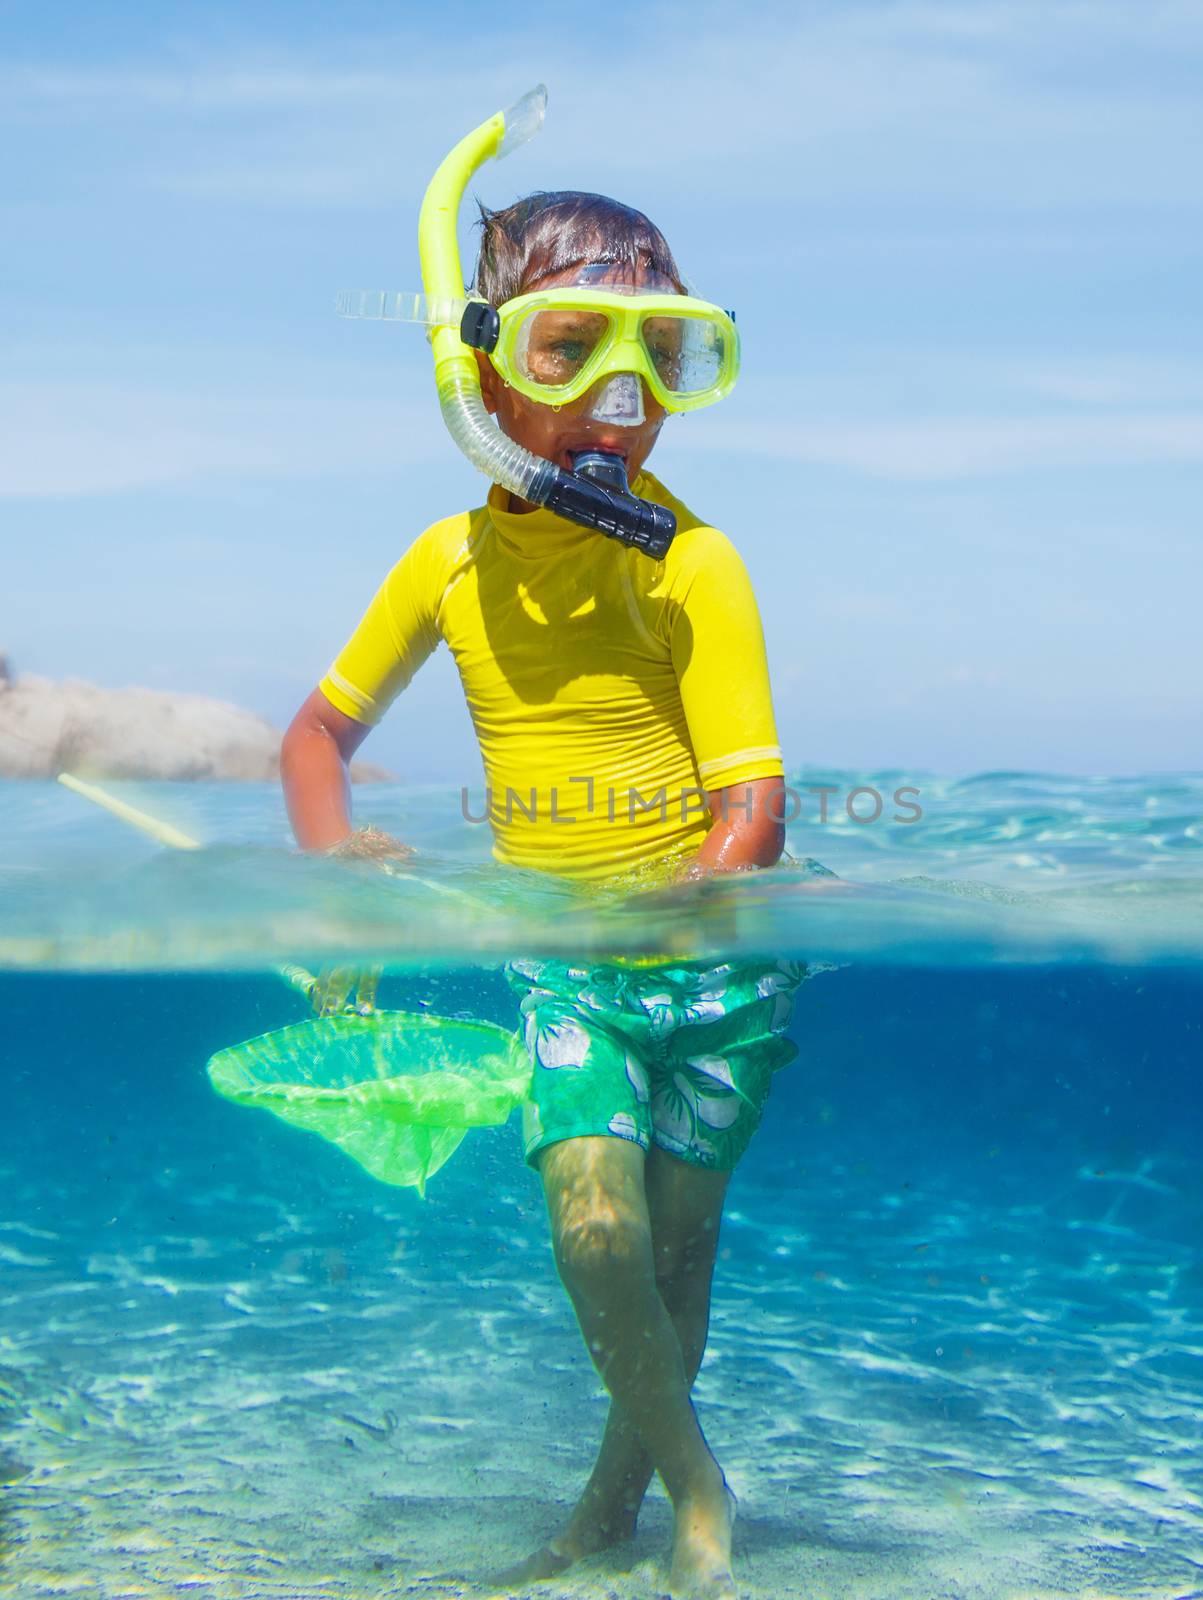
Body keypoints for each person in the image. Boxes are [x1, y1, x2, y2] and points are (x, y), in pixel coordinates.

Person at [280, 163, 803, 1598]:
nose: (621, 402)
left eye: (665, 355)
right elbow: (316, 738)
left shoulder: (694, 565)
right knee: (595, 1229)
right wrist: (341, 873)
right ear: (480, 377)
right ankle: (699, 1488)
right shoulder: (449, 565)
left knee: (676, 1261)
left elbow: (752, 806)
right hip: (569, 963)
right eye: (571, 351)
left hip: (712, 972)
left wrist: (683, 896)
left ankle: (605, 1506)